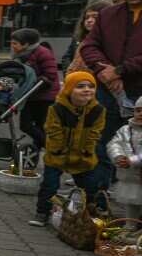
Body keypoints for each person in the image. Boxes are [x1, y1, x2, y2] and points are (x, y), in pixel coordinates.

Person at [78, 0, 142, 184]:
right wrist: (104, 71)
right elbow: (89, 46)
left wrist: (119, 71)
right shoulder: (108, 14)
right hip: (108, 92)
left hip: (138, 91)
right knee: (103, 144)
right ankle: (98, 200)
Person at [30, 71, 105, 226]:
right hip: (58, 154)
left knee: (90, 187)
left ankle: (89, 214)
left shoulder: (98, 110)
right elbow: (52, 129)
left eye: (91, 86)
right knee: (50, 185)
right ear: (69, 90)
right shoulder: (57, 108)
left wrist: (87, 150)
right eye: (80, 86)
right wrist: (58, 149)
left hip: (83, 155)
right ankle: (42, 212)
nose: (86, 90)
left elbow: (95, 133)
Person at [9, 28, 61, 150]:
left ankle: (51, 148)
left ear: (26, 44)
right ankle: (42, 148)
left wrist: (33, 83)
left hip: (45, 96)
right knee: (25, 125)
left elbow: (50, 74)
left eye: (15, 43)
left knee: (39, 124)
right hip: (30, 95)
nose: (12, 46)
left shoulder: (43, 53)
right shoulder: (20, 55)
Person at [107, 98, 142, 221]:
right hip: (130, 178)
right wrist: (118, 156)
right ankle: (130, 225)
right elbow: (114, 144)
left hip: (135, 170)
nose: (141, 114)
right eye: (138, 110)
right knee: (131, 204)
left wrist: (131, 161)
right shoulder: (125, 130)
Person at [63, 0, 112, 71]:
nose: (89, 20)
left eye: (95, 17)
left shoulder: (113, 40)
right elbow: (66, 58)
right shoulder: (79, 38)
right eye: (87, 17)